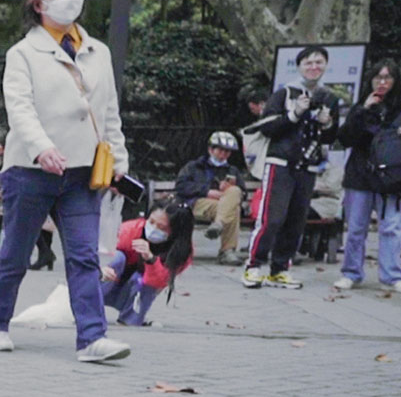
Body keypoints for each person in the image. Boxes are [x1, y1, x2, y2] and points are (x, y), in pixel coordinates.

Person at [0, 0, 132, 363]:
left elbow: (109, 110)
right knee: (16, 253)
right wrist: (41, 147)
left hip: (82, 172)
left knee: (84, 256)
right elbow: (20, 107)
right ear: (37, 3)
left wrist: (119, 159)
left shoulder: (98, 51)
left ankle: (93, 338)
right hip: (31, 171)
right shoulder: (22, 53)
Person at [242, 46, 342, 289]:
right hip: (280, 163)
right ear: (299, 66)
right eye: (308, 62)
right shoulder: (284, 93)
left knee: (296, 220)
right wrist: (295, 113)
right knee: (272, 218)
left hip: (307, 167)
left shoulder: (329, 97)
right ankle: (253, 266)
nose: (314, 67)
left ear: (325, 66)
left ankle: (279, 269)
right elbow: (266, 126)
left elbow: (331, 138)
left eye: (319, 62)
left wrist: (326, 124)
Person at [334, 60, 401, 293]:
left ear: (395, 81)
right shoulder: (360, 107)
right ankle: (351, 272)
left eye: (387, 78)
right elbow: (346, 138)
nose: (382, 83)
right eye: (377, 78)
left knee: (391, 227)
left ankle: (392, 275)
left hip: (392, 177)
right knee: (356, 228)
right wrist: (363, 110)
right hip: (360, 174)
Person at [101, 202, 192, 327]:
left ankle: (130, 319)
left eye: (162, 227)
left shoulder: (180, 251)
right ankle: (85, 306)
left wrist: (151, 259)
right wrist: (102, 269)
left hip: (136, 290)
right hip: (107, 282)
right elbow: (100, 251)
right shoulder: (130, 230)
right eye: (151, 221)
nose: (153, 228)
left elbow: (159, 282)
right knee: (118, 258)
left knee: (142, 279)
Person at [174, 131, 247, 265]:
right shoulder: (194, 166)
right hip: (196, 204)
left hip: (221, 207)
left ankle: (219, 227)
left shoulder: (232, 171)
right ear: (210, 149)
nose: (224, 154)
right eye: (221, 150)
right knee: (232, 210)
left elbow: (243, 193)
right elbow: (181, 186)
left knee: (234, 193)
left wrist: (228, 191)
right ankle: (227, 251)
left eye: (228, 151)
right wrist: (207, 192)